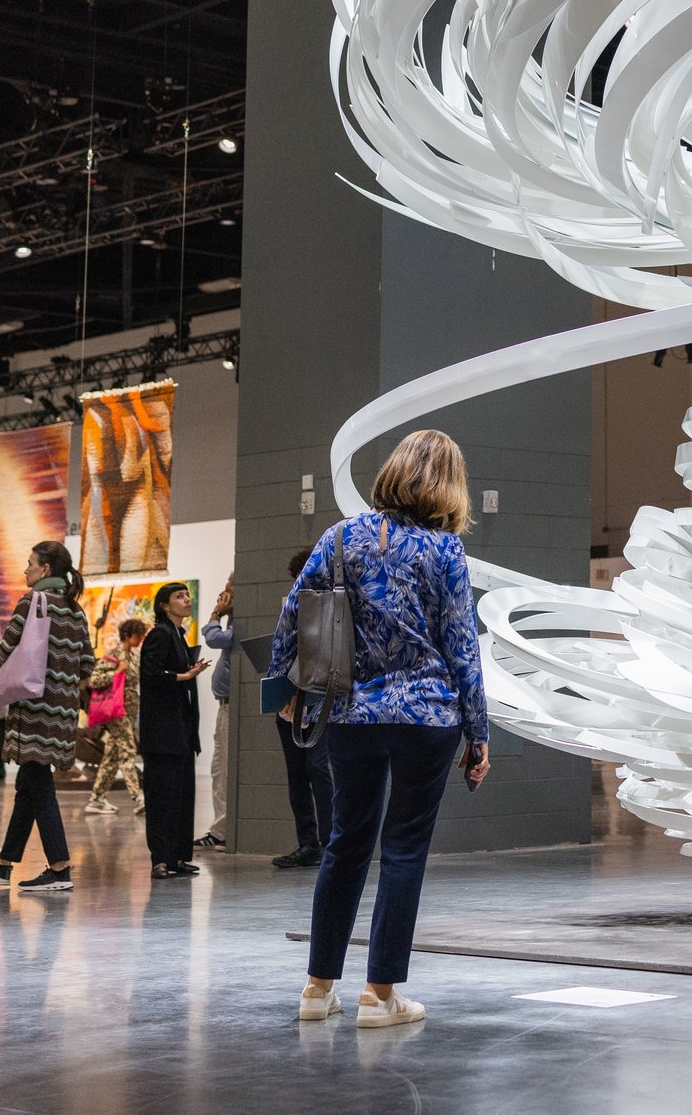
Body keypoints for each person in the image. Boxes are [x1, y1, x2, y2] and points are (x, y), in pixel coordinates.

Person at [275, 429, 490, 1028]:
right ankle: (380, 995)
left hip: (352, 714)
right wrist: (479, 731)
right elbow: (462, 646)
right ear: (451, 485)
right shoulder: (444, 551)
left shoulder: (340, 537)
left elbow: (293, 611)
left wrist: (284, 689)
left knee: (345, 843)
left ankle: (317, 989)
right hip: (427, 716)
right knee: (403, 852)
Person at [0, 540, 93, 895]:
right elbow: (87, 662)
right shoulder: (76, 609)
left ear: (44, 570)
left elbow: (4, 649)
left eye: (29, 563)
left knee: (38, 787)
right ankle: (4, 863)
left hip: (33, 709)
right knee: (29, 783)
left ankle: (59, 867)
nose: (24, 570)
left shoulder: (32, 601)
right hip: (62, 712)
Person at [272, 550, 334, 871]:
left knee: (319, 771)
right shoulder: (291, 609)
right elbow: (279, 653)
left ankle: (328, 843)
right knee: (297, 777)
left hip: (320, 705)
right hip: (289, 705)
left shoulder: (334, 609)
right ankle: (308, 844)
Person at [139, 584, 206, 880]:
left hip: (179, 730)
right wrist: (185, 675)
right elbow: (151, 675)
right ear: (165, 605)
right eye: (179, 597)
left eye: (186, 595)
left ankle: (177, 857)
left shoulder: (177, 635)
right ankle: (160, 860)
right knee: (163, 797)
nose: (186, 600)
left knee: (181, 794)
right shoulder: (160, 634)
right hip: (163, 733)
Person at [86, 618, 146, 816]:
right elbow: (94, 681)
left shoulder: (136, 656)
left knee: (111, 757)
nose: (140, 639)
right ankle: (137, 797)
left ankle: (97, 799)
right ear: (128, 636)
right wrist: (116, 673)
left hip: (129, 712)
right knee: (128, 749)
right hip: (115, 712)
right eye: (138, 635)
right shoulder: (113, 655)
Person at [196, 580, 236, 850]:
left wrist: (215, 614)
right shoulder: (234, 620)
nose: (222, 594)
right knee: (217, 770)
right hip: (224, 704)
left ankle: (222, 831)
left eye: (228, 589)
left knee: (224, 772)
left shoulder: (238, 623)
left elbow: (213, 638)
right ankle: (219, 829)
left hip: (232, 706)